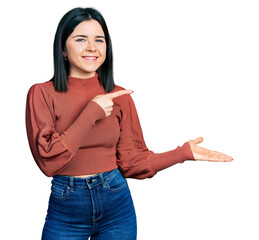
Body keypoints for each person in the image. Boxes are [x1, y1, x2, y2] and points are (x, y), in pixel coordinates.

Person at [25, 7, 233, 240]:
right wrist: (91, 112)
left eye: (99, 40)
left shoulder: (119, 96)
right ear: (63, 48)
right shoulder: (41, 93)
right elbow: (48, 161)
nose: (92, 47)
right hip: (66, 210)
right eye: (81, 39)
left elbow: (132, 162)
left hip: (116, 205)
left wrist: (182, 153)